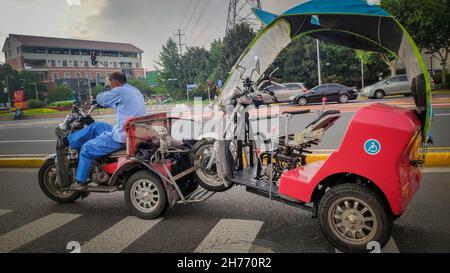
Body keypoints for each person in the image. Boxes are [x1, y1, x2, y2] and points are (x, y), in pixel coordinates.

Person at [59, 71, 146, 190]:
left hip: (122, 136)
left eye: (110, 84)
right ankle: (68, 141)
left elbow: (101, 98)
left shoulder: (119, 90)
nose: (109, 86)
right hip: (133, 131)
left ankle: (80, 182)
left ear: (115, 82)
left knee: (86, 148)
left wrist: (97, 100)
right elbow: (118, 103)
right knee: (96, 126)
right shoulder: (133, 90)